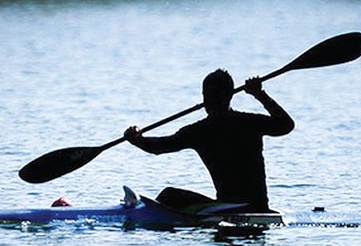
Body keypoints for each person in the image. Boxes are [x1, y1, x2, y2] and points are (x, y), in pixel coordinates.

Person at [124, 69, 294, 212]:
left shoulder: (203, 131)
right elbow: (160, 147)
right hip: (254, 207)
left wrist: (137, 140)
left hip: (235, 208)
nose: (209, 100)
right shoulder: (244, 123)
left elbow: (286, 125)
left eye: (214, 95)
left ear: (228, 95)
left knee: (169, 195)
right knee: (170, 195)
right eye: (206, 94)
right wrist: (138, 140)